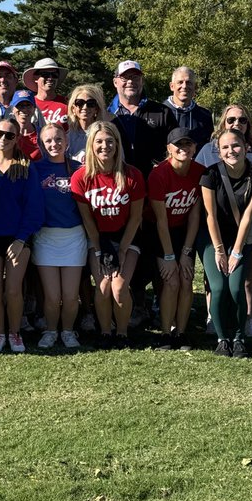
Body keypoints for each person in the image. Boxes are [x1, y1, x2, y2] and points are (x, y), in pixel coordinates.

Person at [71, 121, 145, 348]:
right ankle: (105, 332)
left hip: (126, 236)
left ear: (118, 144)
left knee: (119, 287)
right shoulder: (81, 177)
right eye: (99, 141)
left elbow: (136, 218)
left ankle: (122, 333)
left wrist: (122, 250)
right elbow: (88, 220)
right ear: (91, 145)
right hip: (99, 237)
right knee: (103, 287)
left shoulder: (132, 175)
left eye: (110, 141)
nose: (105, 146)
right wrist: (99, 250)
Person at [196, 103, 252, 339]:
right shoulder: (210, 172)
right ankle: (219, 331)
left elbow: (248, 216)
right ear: (218, 150)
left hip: (242, 234)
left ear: (246, 147)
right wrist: (219, 250)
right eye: (225, 147)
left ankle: (242, 329)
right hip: (213, 234)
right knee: (217, 285)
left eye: (236, 145)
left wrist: (236, 252)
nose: (231, 151)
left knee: (239, 285)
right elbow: (210, 215)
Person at [0, 116, 44, 353]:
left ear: (17, 138)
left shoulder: (26, 166)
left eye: (9, 135)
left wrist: (21, 239)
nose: (3, 139)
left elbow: (34, 208)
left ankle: (15, 333)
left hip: (18, 238)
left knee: (13, 290)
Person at [147, 128, 205, 349]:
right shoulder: (159, 174)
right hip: (159, 232)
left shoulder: (200, 172)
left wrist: (187, 252)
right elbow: (160, 221)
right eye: (178, 145)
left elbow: (195, 215)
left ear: (195, 148)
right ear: (169, 149)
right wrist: (170, 256)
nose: (183, 148)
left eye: (188, 144)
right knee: (171, 281)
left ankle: (181, 333)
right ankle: (165, 333)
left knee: (186, 278)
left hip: (183, 230)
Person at [31, 122, 86, 349]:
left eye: (58, 139)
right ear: (41, 144)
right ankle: (51, 331)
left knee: (71, 296)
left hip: (74, 237)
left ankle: (68, 331)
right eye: (48, 141)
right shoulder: (35, 169)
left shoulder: (79, 168)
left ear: (67, 141)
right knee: (52, 296)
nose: (54, 144)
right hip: (46, 238)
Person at [108, 60, 178, 176]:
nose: (130, 81)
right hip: (116, 180)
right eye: (125, 77)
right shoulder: (106, 116)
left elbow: (176, 147)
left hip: (154, 180)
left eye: (135, 77)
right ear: (115, 82)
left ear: (142, 81)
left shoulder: (162, 112)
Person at [196, 104, 252, 168]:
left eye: (242, 120)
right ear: (224, 123)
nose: (237, 123)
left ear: (248, 124)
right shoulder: (207, 151)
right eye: (231, 120)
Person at [165, 66, 214, 147]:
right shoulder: (159, 113)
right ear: (172, 86)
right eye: (180, 82)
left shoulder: (205, 116)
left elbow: (208, 147)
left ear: (195, 87)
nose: (184, 86)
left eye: (189, 82)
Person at [66, 84, 108, 162]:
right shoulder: (66, 138)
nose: (85, 107)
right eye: (80, 103)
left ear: (96, 109)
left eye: (91, 103)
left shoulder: (107, 135)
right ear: (73, 109)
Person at [23, 57, 69, 126]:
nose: (50, 78)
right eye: (45, 75)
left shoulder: (68, 103)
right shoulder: (28, 104)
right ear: (35, 78)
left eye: (54, 75)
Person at [10, 90, 43, 161]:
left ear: (34, 109)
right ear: (12, 109)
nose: (24, 109)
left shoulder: (42, 134)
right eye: (19, 105)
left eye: (28, 105)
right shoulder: (6, 134)